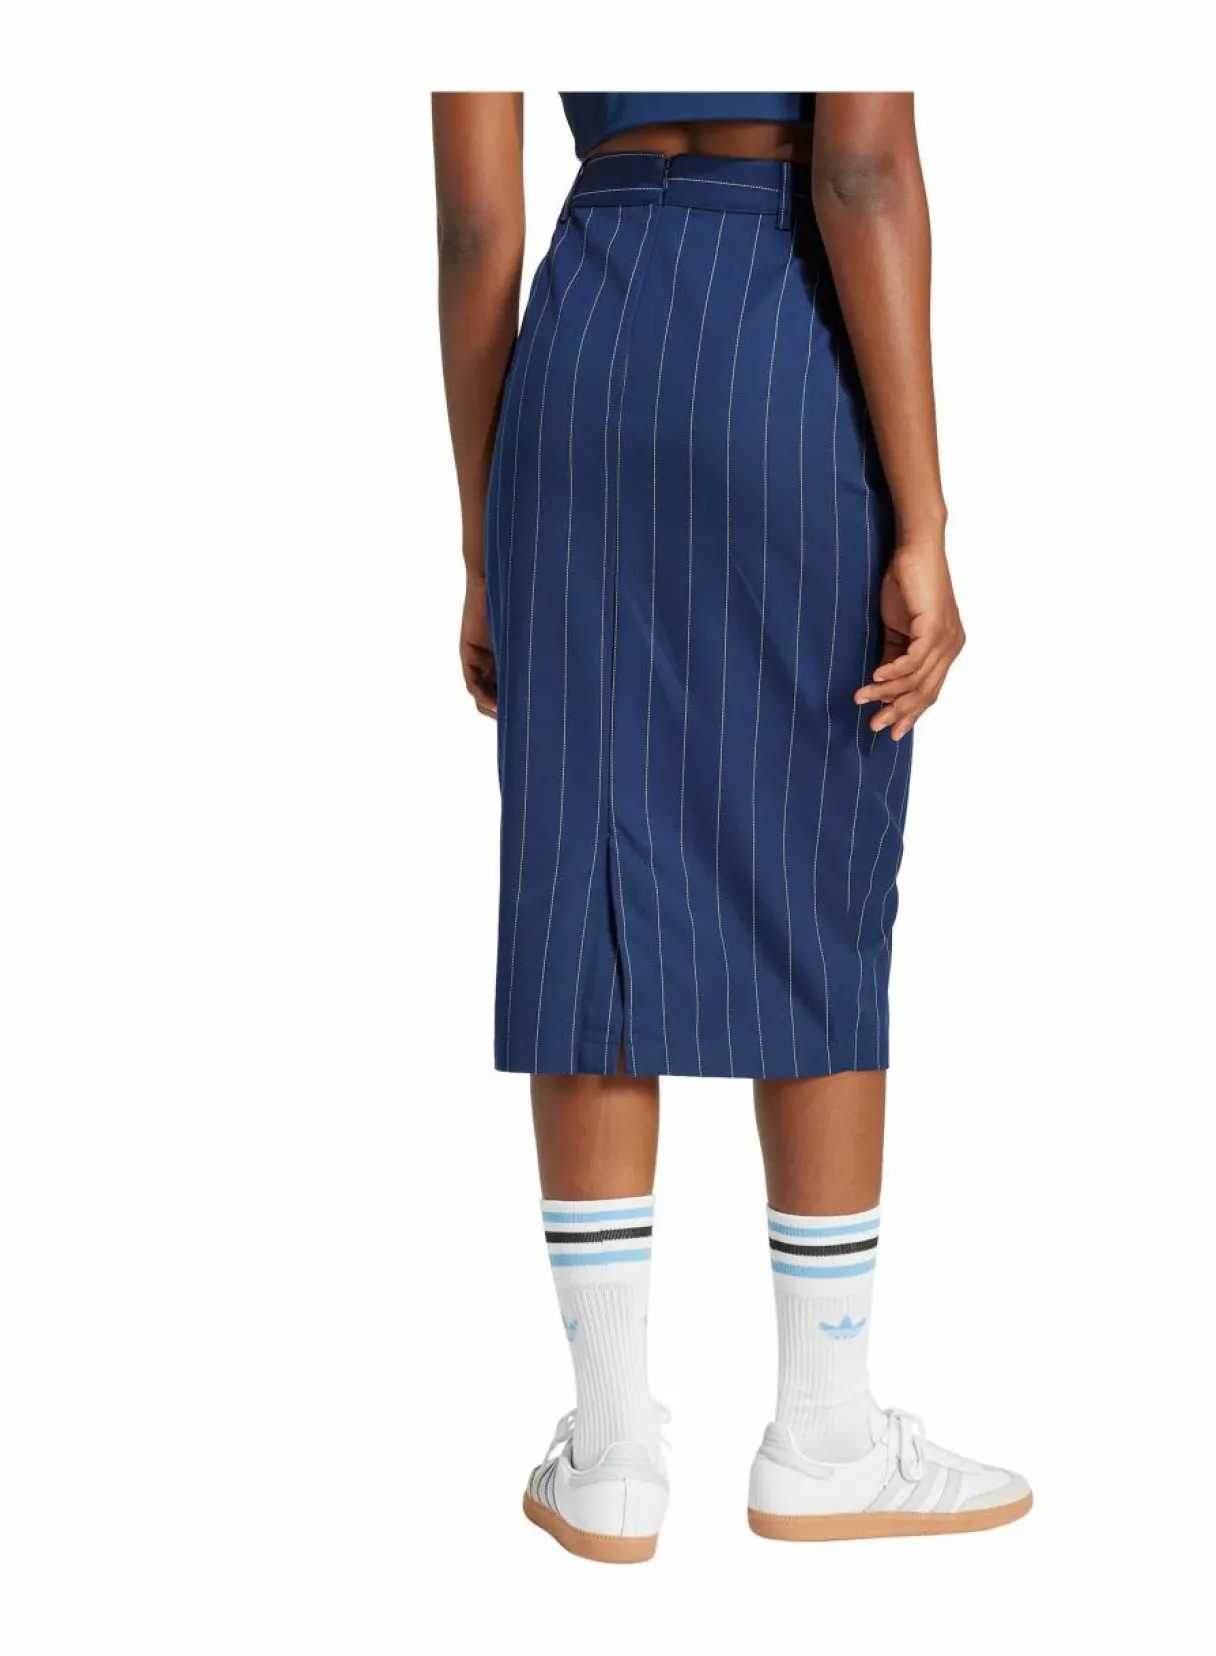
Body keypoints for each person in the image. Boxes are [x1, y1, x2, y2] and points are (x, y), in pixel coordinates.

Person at [433, 91, 1031, 1563]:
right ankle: (825, 1437)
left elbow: (477, 227)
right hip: (782, 335)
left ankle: (611, 1455)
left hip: (584, 351)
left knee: (584, 862)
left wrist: (486, 542)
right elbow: (862, 169)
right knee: (816, 853)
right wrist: (925, 524)